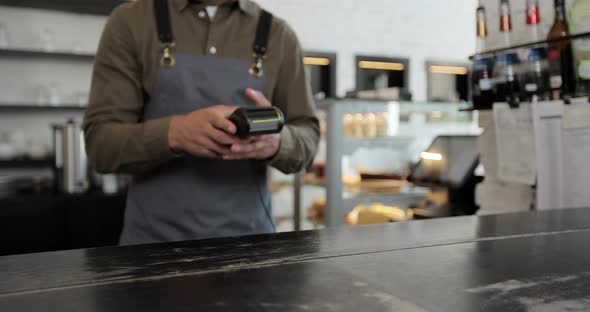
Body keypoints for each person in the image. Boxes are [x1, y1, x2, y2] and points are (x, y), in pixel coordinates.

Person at [83, 0, 319, 245]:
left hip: (251, 247)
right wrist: (175, 134)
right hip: (151, 249)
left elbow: (309, 141)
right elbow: (101, 145)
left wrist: (277, 142)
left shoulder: (279, 35)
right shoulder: (131, 22)